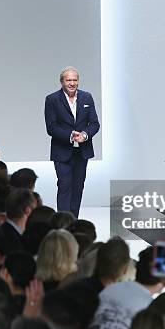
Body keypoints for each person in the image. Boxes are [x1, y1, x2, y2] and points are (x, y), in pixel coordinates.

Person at [44, 66, 100, 217]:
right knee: (64, 185)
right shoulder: (52, 99)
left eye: (75, 80)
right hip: (62, 151)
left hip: (82, 151)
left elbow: (94, 123)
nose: (72, 83)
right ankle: (63, 223)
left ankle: (74, 221)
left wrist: (84, 135)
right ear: (62, 82)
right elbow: (51, 127)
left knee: (78, 187)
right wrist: (70, 135)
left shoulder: (87, 97)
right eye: (68, 80)